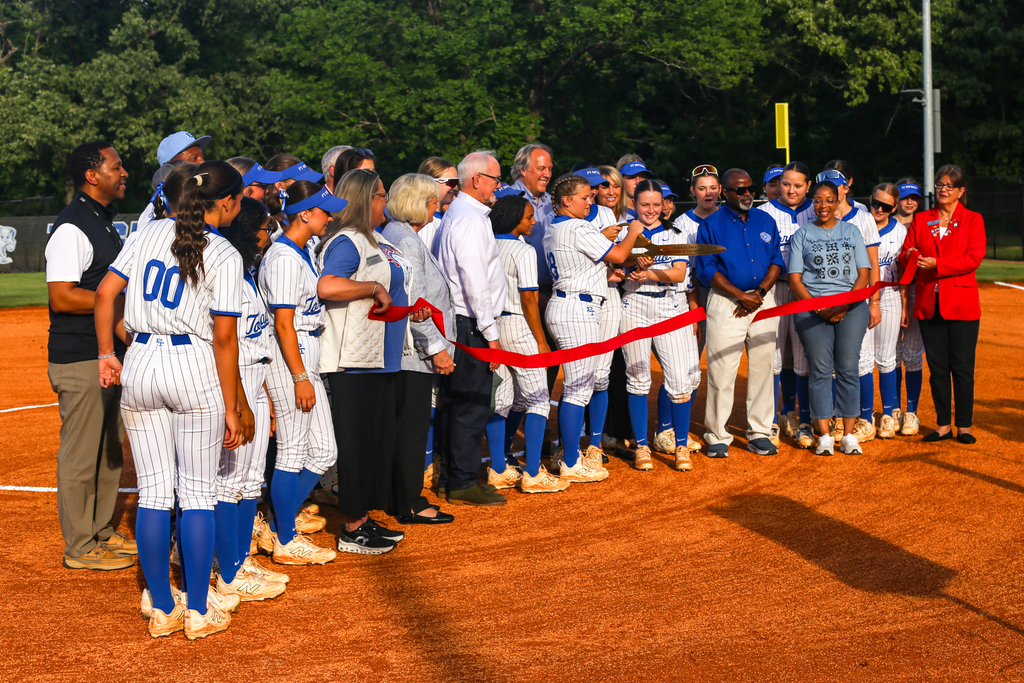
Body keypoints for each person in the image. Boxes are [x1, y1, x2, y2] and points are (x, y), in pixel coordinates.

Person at [95, 160, 249, 639]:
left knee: (156, 495)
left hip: (140, 360)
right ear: (224, 202)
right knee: (198, 495)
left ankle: (162, 607)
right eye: (238, 200)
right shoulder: (223, 252)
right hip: (194, 366)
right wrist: (233, 404)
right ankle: (199, 610)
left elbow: (104, 292)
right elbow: (224, 338)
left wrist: (107, 352)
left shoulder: (146, 233)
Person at [318, 168, 429, 548]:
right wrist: (373, 286)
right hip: (355, 360)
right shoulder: (347, 241)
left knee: (375, 444)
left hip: (383, 358)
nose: (386, 200)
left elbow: (391, 290)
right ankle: (351, 527)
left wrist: (409, 309)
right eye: (381, 194)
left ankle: (362, 518)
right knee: (356, 445)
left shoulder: (377, 240)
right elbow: (328, 285)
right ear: (366, 200)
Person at [45, 140, 136, 572]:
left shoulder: (101, 221)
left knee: (109, 451)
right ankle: (80, 545)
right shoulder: (72, 226)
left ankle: (100, 532)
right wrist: (110, 301)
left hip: (105, 355)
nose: (124, 173)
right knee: (83, 454)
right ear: (92, 175)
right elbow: (62, 296)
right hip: (80, 357)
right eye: (116, 167)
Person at [211, 197, 291, 598]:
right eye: (263, 229)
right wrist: (239, 403)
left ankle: (239, 560)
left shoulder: (245, 273)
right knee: (231, 482)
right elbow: (226, 342)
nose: (267, 236)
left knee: (248, 480)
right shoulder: (228, 274)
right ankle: (229, 573)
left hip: (254, 381)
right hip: (236, 383)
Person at [258, 180, 340, 564]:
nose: (331, 216)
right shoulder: (284, 257)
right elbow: (283, 324)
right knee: (292, 452)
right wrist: (299, 376)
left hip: (305, 348)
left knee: (323, 450)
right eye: (325, 210)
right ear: (304, 213)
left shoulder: (303, 249)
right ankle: (285, 538)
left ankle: (279, 523)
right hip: (289, 354)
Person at [543, 173, 644, 480]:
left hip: (574, 302)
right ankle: (571, 462)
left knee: (586, 382)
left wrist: (605, 274)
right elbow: (619, 254)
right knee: (577, 388)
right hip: (577, 308)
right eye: (585, 197)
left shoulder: (555, 225)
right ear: (566, 201)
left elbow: (589, 264)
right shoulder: (576, 226)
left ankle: (579, 453)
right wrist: (634, 230)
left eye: (590, 196)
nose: (591, 201)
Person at [380, 173, 458, 523]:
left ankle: (401, 495)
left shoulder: (399, 234)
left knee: (404, 428)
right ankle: (410, 502)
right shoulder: (405, 240)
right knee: (411, 429)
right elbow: (416, 303)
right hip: (414, 352)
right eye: (431, 200)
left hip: (408, 349)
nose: (436, 205)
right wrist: (436, 348)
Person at [433, 151, 509, 506]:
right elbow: (474, 280)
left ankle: (451, 478)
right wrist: (491, 334)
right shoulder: (469, 219)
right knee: (471, 404)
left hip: (461, 323)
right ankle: (461, 481)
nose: (498, 185)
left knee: (456, 403)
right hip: (470, 325)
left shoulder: (460, 215)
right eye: (495, 179)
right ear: (476, 179)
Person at [694, 168, 783, 458]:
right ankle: (717, 433)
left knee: (762, 368)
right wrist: (739, 295)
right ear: (725, 193)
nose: (747, 194)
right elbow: (707, 269)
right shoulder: (711, 224)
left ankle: (759, 431)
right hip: (726, 301)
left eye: (750, 188)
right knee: (722, 370)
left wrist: (759, 293)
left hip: (763, 301)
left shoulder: (765, 219)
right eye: (740, 190)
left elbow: (776, 261)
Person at [486, 195, 569, 493]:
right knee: (536, 400)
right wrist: (541, 339)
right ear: (513, 219)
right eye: (528, 217)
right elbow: (529, 299)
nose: (533, 221)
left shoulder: (486, 245)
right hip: (520, 327)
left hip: (493, 328)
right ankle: (533, 473)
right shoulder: (522, 250)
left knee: (504, 399)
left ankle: (498, 469)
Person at [899, 164, 985, 444]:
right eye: (939, 185)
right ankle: (943, 425)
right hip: (928, 302)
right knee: (937, 368)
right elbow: (904, 254)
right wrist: (911, 255)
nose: (943, 190)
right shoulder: (923, 219)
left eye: (949, 185)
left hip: (962, 303)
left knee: (961, 367)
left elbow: (973, 258)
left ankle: (964, 426)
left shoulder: (973, 219)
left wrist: (938, 264)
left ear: (961, 191)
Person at [620, 179, 701, 472]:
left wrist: (649, 272)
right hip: (634, 305)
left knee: (680, 380)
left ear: (665, 205)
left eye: (657, 204)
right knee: (638, 378)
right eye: (645, 204)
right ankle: (642, 446)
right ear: (634, 204)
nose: (651, 210)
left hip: (670, 306)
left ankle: (680, 444)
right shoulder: (624, 233)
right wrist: (632, 267)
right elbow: (616, 266)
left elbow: (679, 274)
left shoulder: (674, 234)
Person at [788, 181, 871, 456]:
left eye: (829, 200)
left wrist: (844, 306)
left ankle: (848, 435)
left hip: (851, 307)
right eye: (818, 200)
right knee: (820, 369)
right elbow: (794, 279)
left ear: (838, 202)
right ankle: (824, 435)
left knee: (848, 367)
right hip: (812, 307)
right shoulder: (802, 234)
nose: (823, 205)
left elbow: (864, 274)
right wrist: (818, 308)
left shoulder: (851, 231)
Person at [816, 168, 881, 443]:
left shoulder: (864, 218)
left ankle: (864, 419)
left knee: (859, 361)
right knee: (829, 364)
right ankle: (834, 418)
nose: (831, 194)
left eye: (836, 187)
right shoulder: (814, 216)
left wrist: (874, 301)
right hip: (825, 300)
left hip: (856, 300)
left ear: (845, 188)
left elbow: (873, 264)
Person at [754, 161, 815, 446]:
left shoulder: (817, 210)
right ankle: (770, 420)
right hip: (773, 291)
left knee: (802, 358)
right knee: (773, 357)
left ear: (808, 186)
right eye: (785, 184)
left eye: (797, 185)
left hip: (806, 292)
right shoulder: (762, 213)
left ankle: (801, 418)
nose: (790, 189)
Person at [867, 183, 906, 439]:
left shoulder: (900, 231)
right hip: (861, 297)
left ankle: (889, 415)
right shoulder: (860, 224)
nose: (879, 209)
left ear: (894, 208)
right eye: (875, 202)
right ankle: (864, 415)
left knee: (886, 358)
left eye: (886, 206)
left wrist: (905, 303)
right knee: (862, 360)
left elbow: (905, 273)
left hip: (891, 296)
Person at [893, 178, 925, 436]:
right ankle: (893, 410)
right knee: (891, 354)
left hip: (916, 291)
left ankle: (911, 412)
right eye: (905, 197)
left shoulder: (924, 224)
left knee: (913, 354)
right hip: (891, 292)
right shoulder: (887, 225)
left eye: (914, 197)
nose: (910, 202)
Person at [416, 156, 460, 252]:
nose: (456, 188)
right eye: (451, 182)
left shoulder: (438, 219)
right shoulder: (425, 223)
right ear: (430, 182)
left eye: (457, 182)